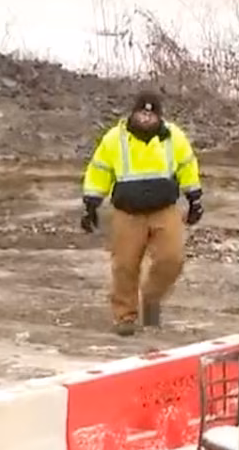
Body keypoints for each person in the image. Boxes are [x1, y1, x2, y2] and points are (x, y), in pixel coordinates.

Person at [80, 90, 204, 336]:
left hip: (164, 209)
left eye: (151, 114)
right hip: (128, 213)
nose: (146, 118)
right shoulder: (115, 139)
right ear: (133, 113)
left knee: (172, 259)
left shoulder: (174, 137)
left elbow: (187, 166)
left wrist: (194, 199)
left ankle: (151, 299)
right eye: (142, 113)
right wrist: (91, 205)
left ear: (159, 117)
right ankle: (125, 316)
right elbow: (99, 170)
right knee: (125, 266)